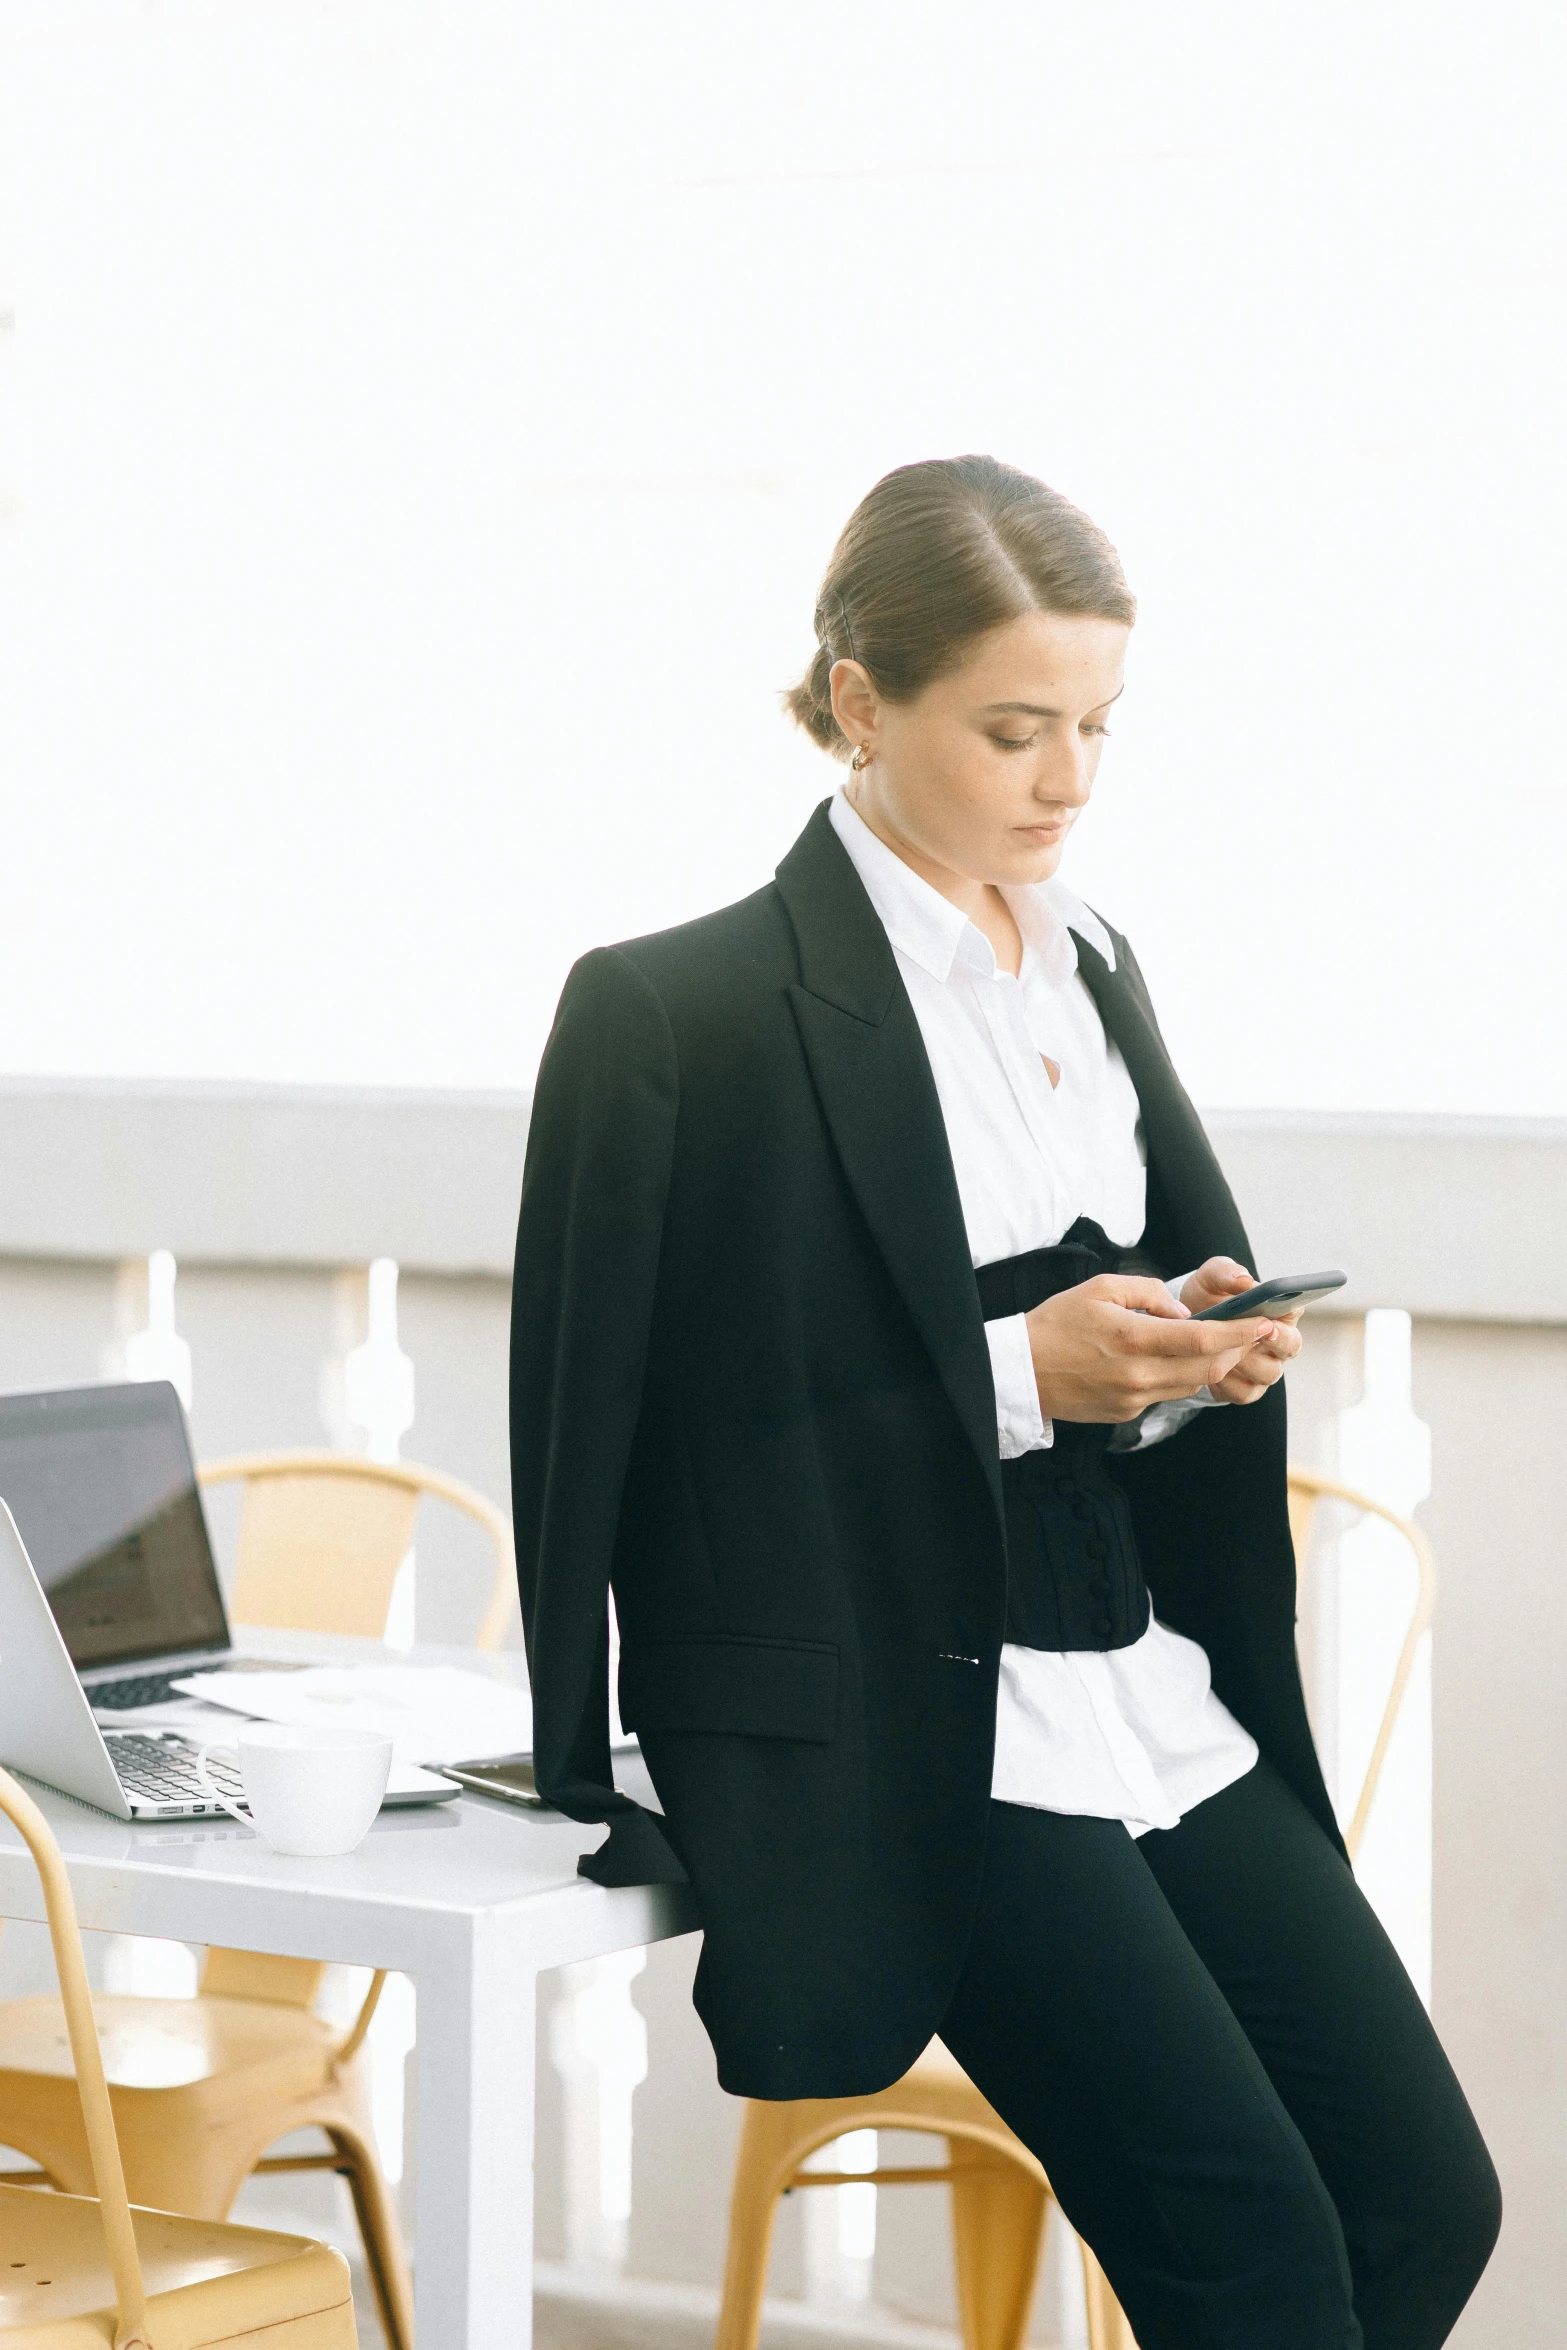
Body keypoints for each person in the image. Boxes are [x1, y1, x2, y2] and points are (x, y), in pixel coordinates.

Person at [510, 456, 1499, 2348]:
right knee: (1256, 2263)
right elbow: (620, 1447)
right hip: (913, 1724)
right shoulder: (675, 1014)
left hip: (1141, 1680)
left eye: (1098, 728)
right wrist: (1004, 1374)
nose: (1066, 780)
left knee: (1416, 2201)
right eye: (1015, 726)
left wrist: (1180, 1359)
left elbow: (1099, 1322)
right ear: (861, 701)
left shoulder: (1091, 963)